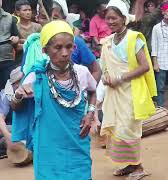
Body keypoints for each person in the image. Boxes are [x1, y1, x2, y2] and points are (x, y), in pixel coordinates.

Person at [11, 20, 96, 179]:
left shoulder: (82, 72)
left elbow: (93, 91)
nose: (64, 53)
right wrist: (18, 95)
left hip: (77, 143)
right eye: (58, 47)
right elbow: (15, 108)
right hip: (48, 148)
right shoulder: (35, 77)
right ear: (45, 50)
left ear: (74, 47)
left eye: (69, 47)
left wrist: (90, 114)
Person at [99, 0, 157, 179]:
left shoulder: (134, 38)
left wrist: (120, 78)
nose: (110, 22)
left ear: (124, 18)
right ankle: (130, 165)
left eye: (114, 18)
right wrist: (106, 77)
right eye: (107, 18)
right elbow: (105, 68)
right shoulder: (108, 41)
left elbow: (145, 66)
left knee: (128, 130)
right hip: (114, 93)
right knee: (117, 130)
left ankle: (139, 167)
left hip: (131, 92)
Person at [21, 0, 101, 82]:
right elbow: (25, 75)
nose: (50, 22)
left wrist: (88, 92)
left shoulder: (75, 42)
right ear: (37, 18)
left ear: (64, 19)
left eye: (55, 18)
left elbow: (96, 70)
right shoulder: (33, 45)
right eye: (44, 17)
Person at [0, 67, 24, 159]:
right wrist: (7, 136)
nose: (17, 85)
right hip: (10, 128)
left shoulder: (32, 88)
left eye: (20, 81)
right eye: (15, 83)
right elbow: (0, 119)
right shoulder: (6, 93)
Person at [0, 0, 20, 90]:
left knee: (6, 89)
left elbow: (16, 35)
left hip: (6, 59)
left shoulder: (9, 17)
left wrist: (15, 39)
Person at [15, 0, 42, 65]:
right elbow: (17, 47)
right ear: (18, 13)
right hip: (20, 60)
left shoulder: (38, 26)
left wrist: (24, 42)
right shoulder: (15, 27)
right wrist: (32, 43)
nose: (28, 12)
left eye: (29, 10)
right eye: (25, 10)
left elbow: (41, 44)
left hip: (37, 59)